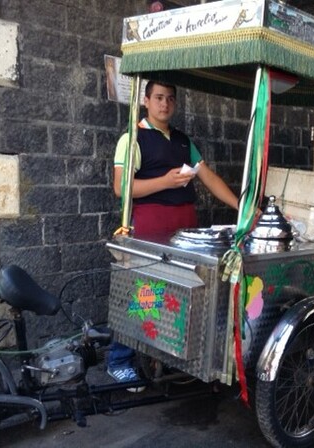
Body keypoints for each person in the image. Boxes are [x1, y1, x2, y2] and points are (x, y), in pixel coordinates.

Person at [108, 80, 238, 389]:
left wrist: (242, 207)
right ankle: (119, 360)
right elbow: (121, 188)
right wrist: (164, 182)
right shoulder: (132, 138)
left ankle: (165, 354)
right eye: (158, 98)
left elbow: (208, 177)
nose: (164, 104)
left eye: (170, 99)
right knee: (143, 293)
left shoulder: (183, 140)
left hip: (184, 228)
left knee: (179, 295)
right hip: (150, 227)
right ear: (146, 101)